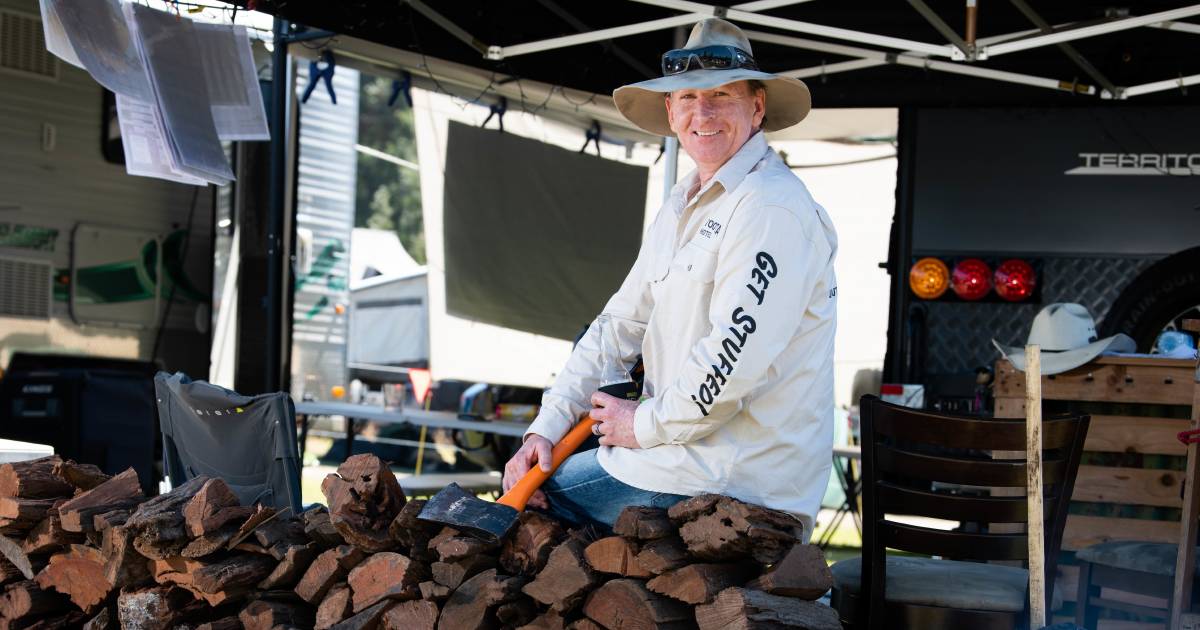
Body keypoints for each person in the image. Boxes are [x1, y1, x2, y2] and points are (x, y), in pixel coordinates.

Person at [502, 17, 839, 538]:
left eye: (721, 94)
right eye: (686, 98)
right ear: (670, 110)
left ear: (757, 107)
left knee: (535, 508)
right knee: (537, 485)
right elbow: (617, 327)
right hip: (682, 462)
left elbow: (731, 359)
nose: (701, 113)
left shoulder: (771, 207)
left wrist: (641, 425)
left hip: (735, 479)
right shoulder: (683, 205)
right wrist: (543, 430)